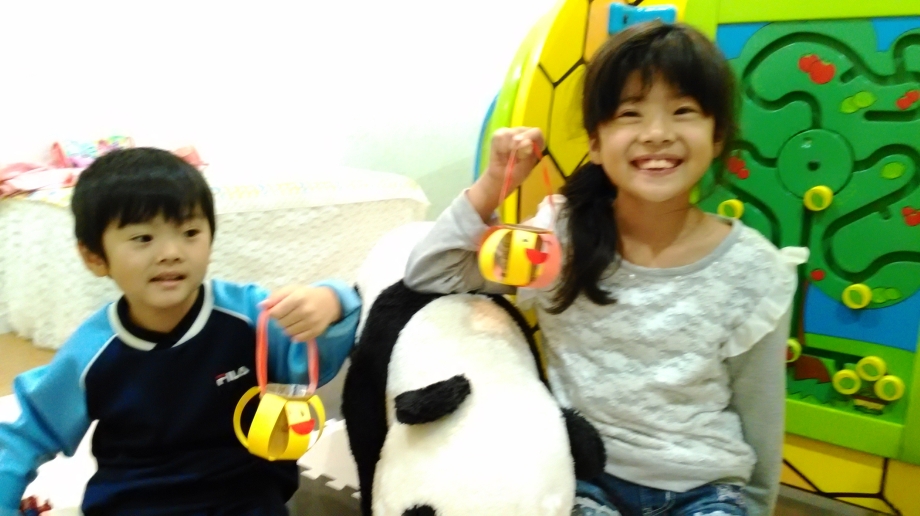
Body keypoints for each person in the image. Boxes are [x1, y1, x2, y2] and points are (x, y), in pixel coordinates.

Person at [404, 21, 807, 516]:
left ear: (717, 134)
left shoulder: (755, 270)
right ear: (595, 143)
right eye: (630, 114)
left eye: (682, 111)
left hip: (705, 488)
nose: (657, 134)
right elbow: (434, 271)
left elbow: (760, 422)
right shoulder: (559, 238)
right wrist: (494, 181)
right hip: (583, 478)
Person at [0, 148, 361, 516]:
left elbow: (314, 361)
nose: (171, 252)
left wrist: (332, 301)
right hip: (133, 506)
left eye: (190, 233)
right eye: (143, 238)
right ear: (94, 256)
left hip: (244, 501)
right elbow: (25, 435)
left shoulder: (249, 316)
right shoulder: (90, 352)